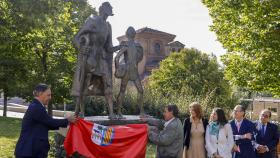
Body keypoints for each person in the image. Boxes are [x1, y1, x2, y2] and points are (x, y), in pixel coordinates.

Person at [71, 2, 120, 119]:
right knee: (85, 84)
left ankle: (111, 113)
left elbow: (108, 48)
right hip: (90, 58)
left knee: (108, 83)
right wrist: (81, 47)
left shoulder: (108, 26)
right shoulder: (92, 20)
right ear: (103, 10)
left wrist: (121, 47)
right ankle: (80, 112)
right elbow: (76, 38)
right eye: (108, 9)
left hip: (101, 59)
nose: (109, 13)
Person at [14, 83, 77, 158]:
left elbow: (47, 124)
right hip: (29, 151)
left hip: (30, 151)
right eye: (48, 95)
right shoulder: (36, 107)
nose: (50, 97)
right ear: (40, 93)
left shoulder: (37, 106)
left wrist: (67, 124)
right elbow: (50, 122)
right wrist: (68, 120)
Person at [114, 26, 144, 117]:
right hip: (132, 70)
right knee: (140, 91)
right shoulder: (136, 46)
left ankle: (119, 112)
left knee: (123, 91)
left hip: (128, 70)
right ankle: (140, 111)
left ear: (127, 35)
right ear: (134, 35)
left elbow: (117, 58)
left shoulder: (127, 45)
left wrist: (118, 68)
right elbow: (139, 58)